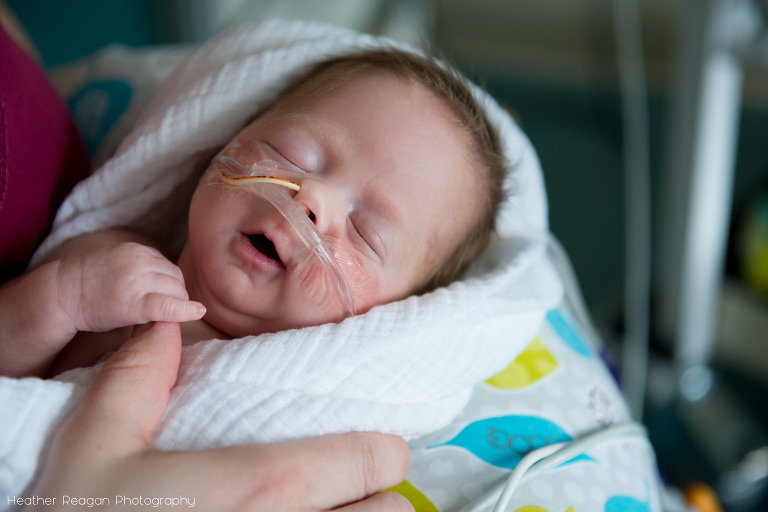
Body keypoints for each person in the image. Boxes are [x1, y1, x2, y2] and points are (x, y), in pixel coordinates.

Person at [0, 48, 506, 378]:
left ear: (390, 314)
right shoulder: (101, 257)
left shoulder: (293, 396)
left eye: (365, 232)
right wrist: (63, 301)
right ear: (220, 146)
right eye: (294, 154)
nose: (312, 198)